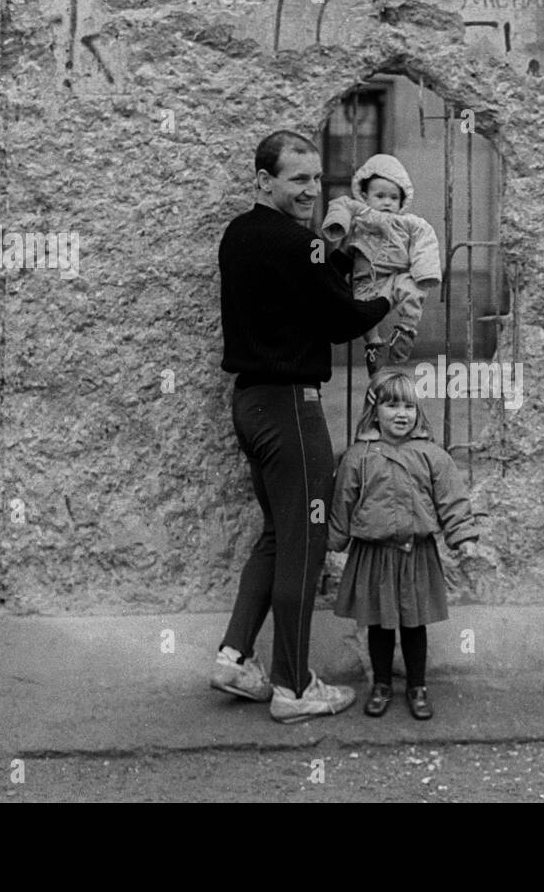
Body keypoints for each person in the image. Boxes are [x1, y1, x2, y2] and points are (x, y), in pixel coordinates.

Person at [211, 129, 412, 724]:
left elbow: (313, 279)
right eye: (297, 179)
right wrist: (389, 303)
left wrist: (344, 257)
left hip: (251, 406)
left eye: (316, 180)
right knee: (304, 546)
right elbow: (337, 317)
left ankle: (233, 657)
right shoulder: (295, 244)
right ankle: (295, 687)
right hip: (291, 411)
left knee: (278, 536)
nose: (310, 190)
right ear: (262, 182)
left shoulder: (242, 236)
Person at [327, 370, 481, 720]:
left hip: (417, 553)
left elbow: (452, 500)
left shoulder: (432, 456)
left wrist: (463, 536)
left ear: (418, 411)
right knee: (380, 624)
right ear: (374, 410)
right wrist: (333, 542)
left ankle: (417, 686)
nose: (401, 414)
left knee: (414, 623)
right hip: (374, 554)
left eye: (409, 406)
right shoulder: (358, 457)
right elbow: (343, 502)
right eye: (391, 404)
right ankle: (381, 685)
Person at [321, 154, 442, 375]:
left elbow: (426, 239)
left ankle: (405, 331)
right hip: (367, 274)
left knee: (413, 291)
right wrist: (339, 224)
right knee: (361, 306)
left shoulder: (409, 222)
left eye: (394, 198)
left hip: (398, 274)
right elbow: (341, 204)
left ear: (402, 200)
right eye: (380, 196)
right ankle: (374, 346)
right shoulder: (362, 215)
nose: (387, 202)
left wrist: (425, 272)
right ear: (365, 196)